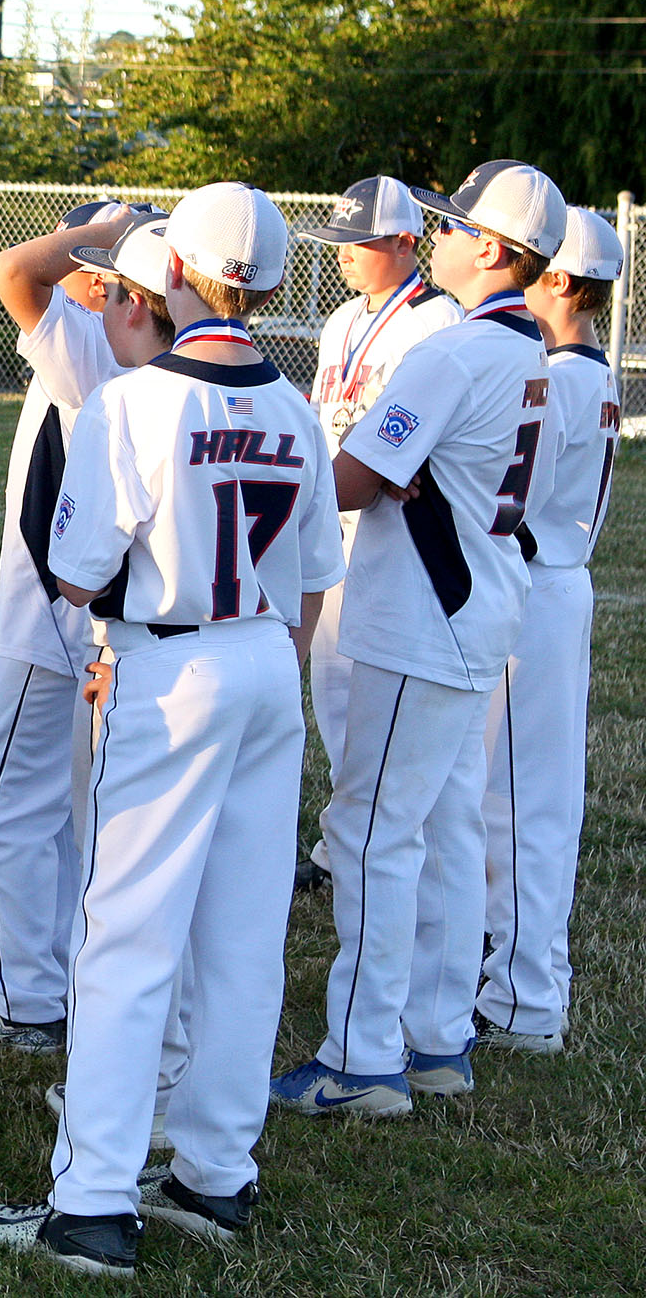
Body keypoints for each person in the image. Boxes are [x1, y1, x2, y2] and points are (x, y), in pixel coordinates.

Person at [0, 182, 344, 1277]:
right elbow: (313, 580)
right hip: (267, 659)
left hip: (166, 660)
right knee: (239, 930)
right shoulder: (294, 407)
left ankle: (90, 1199)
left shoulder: (135, 401)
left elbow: (78, 570)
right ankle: (216, 1172)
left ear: (171, 274)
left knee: (126, 933)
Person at [271, 160, 565, 1117]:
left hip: (423, 610)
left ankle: (361, 1060)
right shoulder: (536, 353)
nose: (436, 237)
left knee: (368, 834)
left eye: (451, 225)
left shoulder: (456, 351)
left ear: (491, 247)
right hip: (480, 603)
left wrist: (319, 460)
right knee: (443, 826)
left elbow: (353, 478)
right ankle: (438, 1040)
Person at [0, 201, 162, 1058]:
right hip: (106, 619)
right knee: (74, 812)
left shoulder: (91, 338)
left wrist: (97, 237)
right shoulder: (136, 348)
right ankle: (61, 981)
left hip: (52, 616)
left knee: (5, 805)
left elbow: (12, 270)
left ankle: (27, 998)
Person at [477, 206, 623, 1052]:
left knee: (522, 802)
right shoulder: (592, 372)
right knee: (533, 796)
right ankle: (517, 986)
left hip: (538, 584)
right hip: (560, 583)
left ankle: (527, 1001)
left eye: (535, 269)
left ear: (561, 283)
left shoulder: (559, 375)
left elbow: (512, 495)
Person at [292, 176, 461, 891]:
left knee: (373, 696)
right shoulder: (340, 322)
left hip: (390, 529)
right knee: (333, 690)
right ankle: (343, 838)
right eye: (341, 243)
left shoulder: (439, 320)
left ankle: (378, 833)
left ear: (405, 242)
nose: (347, 255)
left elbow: (422, 438)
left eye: (362, 242)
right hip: (335, 515)